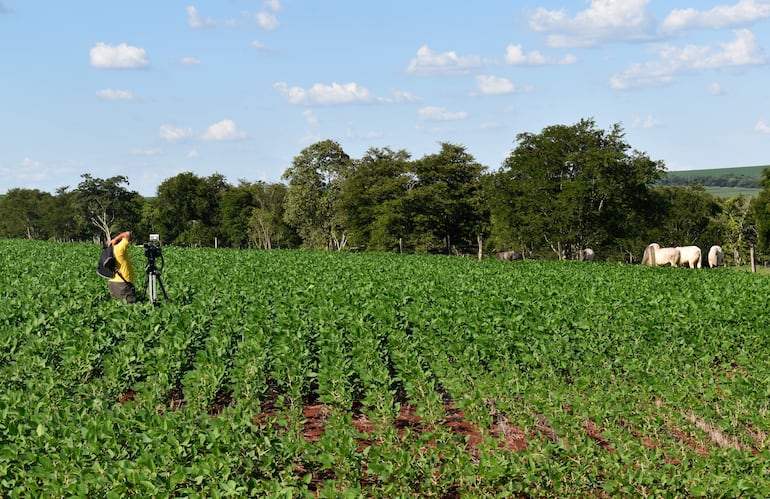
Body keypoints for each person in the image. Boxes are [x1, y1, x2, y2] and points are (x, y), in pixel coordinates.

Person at [108, 231, 137, 303]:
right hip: (123, 284)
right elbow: (127, 234)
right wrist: (116, 239)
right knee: (128, 305)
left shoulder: (109, 250)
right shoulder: (119, 249)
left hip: (112, 283)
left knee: (116, 305)